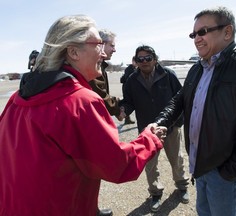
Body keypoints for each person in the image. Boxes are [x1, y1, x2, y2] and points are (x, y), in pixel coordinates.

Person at [0, 15, 167, 216]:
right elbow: (117, 165)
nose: (103, 54)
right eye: (98, 44)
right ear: (73, 52)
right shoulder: (80, 101)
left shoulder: (17, 98)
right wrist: (150, 139)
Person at [153, 6, 236, 216]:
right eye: (194, 34)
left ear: (227, 32)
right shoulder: (197, 68)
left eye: (203, 32)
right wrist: (161, 122)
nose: (196, 39)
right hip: (200, 166)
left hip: (225, 173)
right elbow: (179, 100)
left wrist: (231, 170)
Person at [120, 45, 190, 213]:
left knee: (177, 159)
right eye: (140, 59)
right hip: (147, 131)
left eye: (147, 58)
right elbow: (128, 101)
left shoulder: (168, 75)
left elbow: (180, 98)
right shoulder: (131, 80)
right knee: (150, 165)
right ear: (136, 62)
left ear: (155, 59)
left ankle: (182, 186)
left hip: (170, 127)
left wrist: (179, 122)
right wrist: (123, 110)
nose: (144, 62)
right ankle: (155, 193)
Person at [88, 29, 124, 121]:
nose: (114, 50)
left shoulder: (100, 64)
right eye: (112, 45)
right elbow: (99, 94)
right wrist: (117, 109)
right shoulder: (92, 64)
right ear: (101, 44)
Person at [120, 56, 136, 124]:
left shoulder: (133, 68)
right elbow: (129, 80)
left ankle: (127, 119)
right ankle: (126, 118)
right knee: (129, 103)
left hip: (128, 88)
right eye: (135, 61)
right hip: (128, 89)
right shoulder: (130, 69)